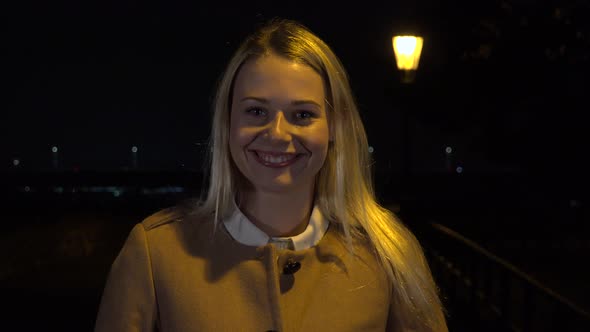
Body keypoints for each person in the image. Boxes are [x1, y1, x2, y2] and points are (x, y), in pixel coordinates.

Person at [94, 18, 448, 332]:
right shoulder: (156, 253)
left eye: (303, 115)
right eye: (257, 110)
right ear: (228, 121)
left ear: (335, 126)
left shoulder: (388, 254)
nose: (277, 134)